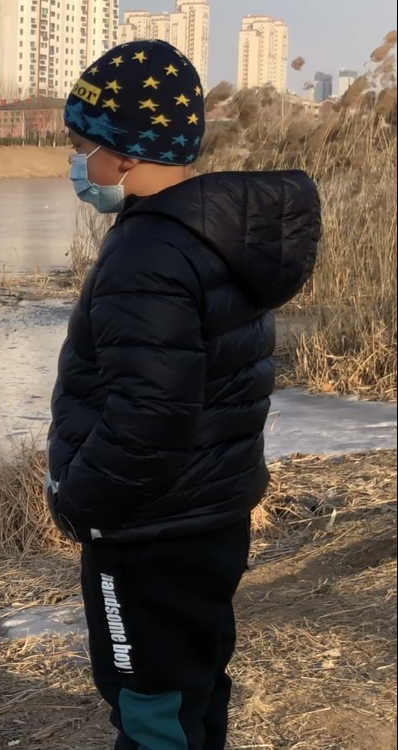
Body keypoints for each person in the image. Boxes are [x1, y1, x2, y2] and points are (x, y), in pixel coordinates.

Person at [46, 40, 320, 750]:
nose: (77, 164)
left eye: (82, 146)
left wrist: (80, 501)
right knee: (193, 682)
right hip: (210, 514)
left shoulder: (150, 254)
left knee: (150, 700)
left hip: (147, 530)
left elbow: (148, 417)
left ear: (125, 155)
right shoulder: (213, 239)